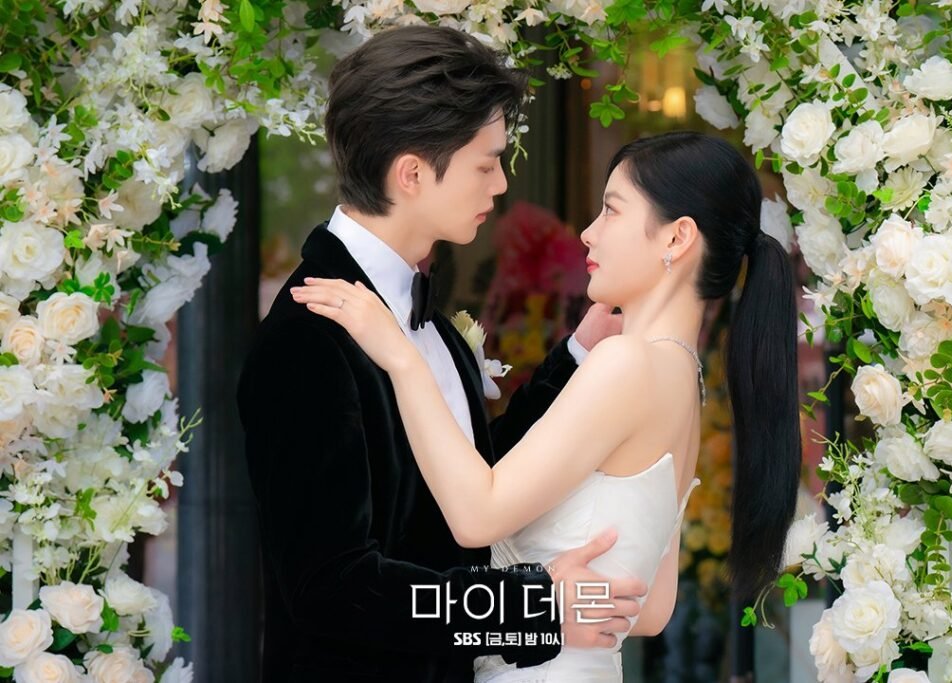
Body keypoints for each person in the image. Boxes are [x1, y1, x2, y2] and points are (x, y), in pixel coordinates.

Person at [292, 130, 803, 682]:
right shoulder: (683, 377)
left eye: (611, 210)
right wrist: (554, 606)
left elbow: (477, 516)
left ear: (677, 238)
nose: (588, 232)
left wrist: (401, 359)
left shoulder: (627, 364)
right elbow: (651, 607)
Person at [236, 25, 647, 683]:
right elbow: (331, 588)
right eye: (486, 164)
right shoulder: (307, 338)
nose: (501, 184)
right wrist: (531, 606)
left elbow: (471, 481)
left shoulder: (426, 319)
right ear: (412, 173)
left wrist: (577, 352)